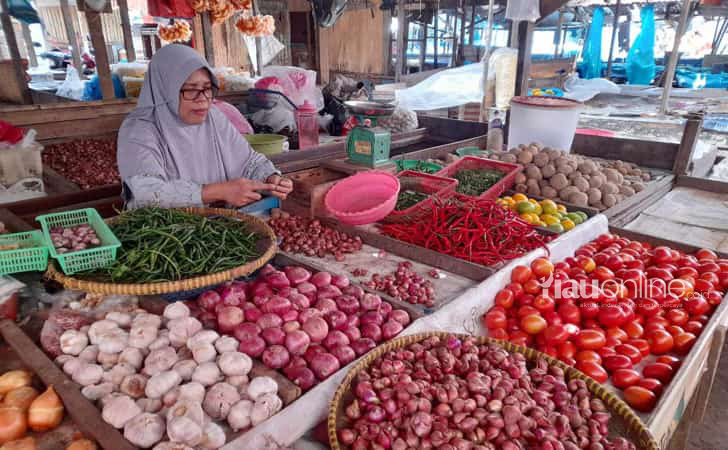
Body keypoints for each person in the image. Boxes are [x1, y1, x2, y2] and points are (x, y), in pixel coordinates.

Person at [117, 44, 292, 208]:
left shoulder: (213, 118)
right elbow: (144, 193)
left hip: (221, 226)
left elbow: (249, 162)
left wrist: (270, 178)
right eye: (191, 89)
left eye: (207, 89)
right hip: (168, 235)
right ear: (165, 90)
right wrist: (219, 191)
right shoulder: (139, 129)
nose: (202, 99)